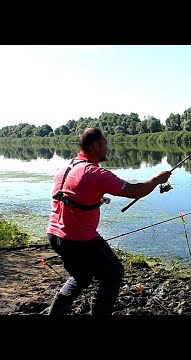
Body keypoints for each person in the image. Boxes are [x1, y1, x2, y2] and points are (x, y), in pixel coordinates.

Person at [46, 127, 171, 315]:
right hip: (80, 239)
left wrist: (95, 200)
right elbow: (135, 191)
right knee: (113, 273)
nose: (108, 148)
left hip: (55, 236)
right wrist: (156, 179)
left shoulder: (65, 168)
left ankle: (54, 314)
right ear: (96, 145)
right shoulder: (95, 173)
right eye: (105, 143)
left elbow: (73, 197)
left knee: (81, 276)